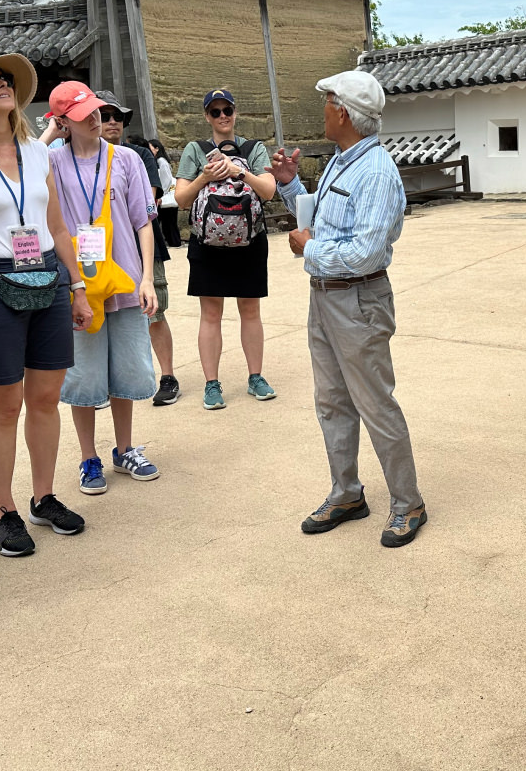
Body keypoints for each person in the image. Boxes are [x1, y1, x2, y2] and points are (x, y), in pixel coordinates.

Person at [0, 55, 94, 557]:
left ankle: (44, 496)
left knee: (47, 396)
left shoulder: (37, 152)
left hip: (47, 275)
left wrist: (77, 286)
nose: (2, 85)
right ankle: (3, 510)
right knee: (4, 403)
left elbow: (58, 227)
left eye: (6, 79)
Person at [269, 71, 426, 548]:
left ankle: (408, 503)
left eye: (327, 102)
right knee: (332, 401)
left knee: (375, 403)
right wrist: (293, 187)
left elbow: (366, 253)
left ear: (343, 113)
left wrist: (308, 250)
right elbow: (323, 216)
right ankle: (347, 493)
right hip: (327, 297)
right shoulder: (344, 160)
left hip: (358, 297)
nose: (322, 110)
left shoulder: (376, 170)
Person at [46, 82, 161, 492]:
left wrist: (147, 277)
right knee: (83, 375)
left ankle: (125, 448)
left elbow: (143, 222)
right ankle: (88, 456)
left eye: (97, 111)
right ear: (63, 122)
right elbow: (26, 160)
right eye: (83, 115)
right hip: (79, 285)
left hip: (125, 278)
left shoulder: (126, 158)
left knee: (126, 369)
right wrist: (51, 131)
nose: (96, 119)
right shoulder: (52, 163)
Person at [174, 88, 279, 410]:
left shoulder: (253, 149)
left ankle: (255, 376)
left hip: (249, 240)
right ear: (207, 116)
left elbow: (269, 191)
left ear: (235, 113)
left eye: (227, 110)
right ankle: (211, 383)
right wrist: (204, 177)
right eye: (216, 111)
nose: (223, 117)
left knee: (250, 310)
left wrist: (239, 171)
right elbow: (180, 199)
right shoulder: (196, 150)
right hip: (208, 242)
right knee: (211, 314)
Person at [97, 94, 180, 407]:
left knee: (154, 311)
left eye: (117, 116)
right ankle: (107, 382)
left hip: (145, 248)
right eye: (105, 116)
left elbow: (149, 199)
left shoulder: (138, 154)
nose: (112, 122)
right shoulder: (78, 158)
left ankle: (168, 376)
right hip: (103, 251)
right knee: (104, 314)